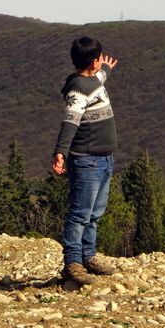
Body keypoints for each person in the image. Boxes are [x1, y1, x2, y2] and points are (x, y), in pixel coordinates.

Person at [52, 36, 119, 286]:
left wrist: (107, 69)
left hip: (103, 160)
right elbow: (70, 122)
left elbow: (99, 78)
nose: (102, 62)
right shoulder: (78, 91)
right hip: (87, 161)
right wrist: (60, 151)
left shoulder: (92, 80)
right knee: (80, 214)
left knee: (95, 213)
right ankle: (73, 263)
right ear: (93, 61)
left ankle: (88, 256)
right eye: (100, 58)